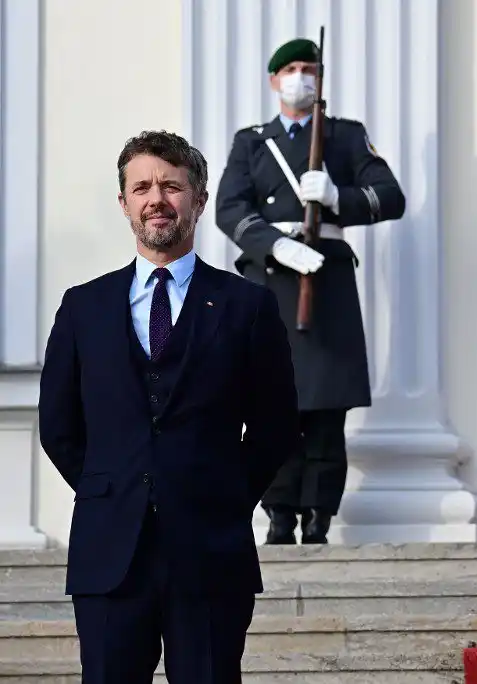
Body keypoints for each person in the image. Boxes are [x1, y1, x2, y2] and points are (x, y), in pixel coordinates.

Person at [38, 130, 301, 683]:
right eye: (142, 187)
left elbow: (276, 426)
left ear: (198, 200)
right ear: (124, 203)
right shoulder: (83, 308)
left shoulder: (247, 306)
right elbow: (59, 427)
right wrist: (111, 487)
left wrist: (224, 492)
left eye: (171, 186)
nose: (156, 198)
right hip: (109, 554)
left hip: (211, 550)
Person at [216, 37, 406, 545]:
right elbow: (229, 209)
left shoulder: (344, 136)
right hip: (272, 283)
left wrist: (338, 196)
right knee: (270, 404)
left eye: (310, 68)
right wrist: (276, 246)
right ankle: (278, 515)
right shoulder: (253, 142)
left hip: (327, 282)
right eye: (291, 69)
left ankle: (319, 516)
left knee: (326, 408)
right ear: (274, 79)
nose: (301, 77)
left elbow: (390, 197)